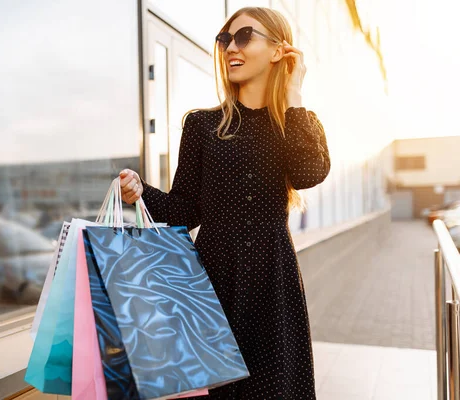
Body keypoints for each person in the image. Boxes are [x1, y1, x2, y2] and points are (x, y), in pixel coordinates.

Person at [120, 7, 330, 399]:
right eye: (225, 39)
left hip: (272, 282)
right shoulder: (201, 125)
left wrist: (294, 92)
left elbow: (308, 174)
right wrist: (141, 190)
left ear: (277, 50)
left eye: (244, 37)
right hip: (212, 282)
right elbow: (185, 210)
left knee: (274, 388)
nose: (231, 48)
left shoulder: (298, 122)